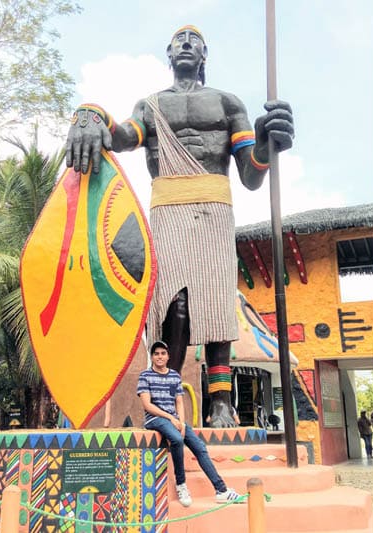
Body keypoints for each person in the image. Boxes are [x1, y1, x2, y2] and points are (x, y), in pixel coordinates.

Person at [65, 25, 294, 428]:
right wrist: (91, 113)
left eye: (194, 42)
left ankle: (221, 401)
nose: (186, 45)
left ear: (204, 55)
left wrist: (265, 143)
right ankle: (165, 393)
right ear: (169, 55)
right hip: (167, 207)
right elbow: (119, 139)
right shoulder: (151, 106)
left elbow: (251, 174)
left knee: (217, 298)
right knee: (175, 304)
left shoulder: (227, 103)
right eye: (179, 42)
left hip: (215, 206)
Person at [137, 341, 241, 506]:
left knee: (199, 447)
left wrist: (182, 423)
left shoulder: (174, 376)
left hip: (174, 420)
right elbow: (147, 405)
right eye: (156, 354)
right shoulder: (145, 376)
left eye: (163, 353)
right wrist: (171, 418)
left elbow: (179, 402)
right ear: (152, 356)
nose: (159, 357)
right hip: (155, 419)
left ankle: (221, 490)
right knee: (177, 440)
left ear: (168, 356)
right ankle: (181, 484)